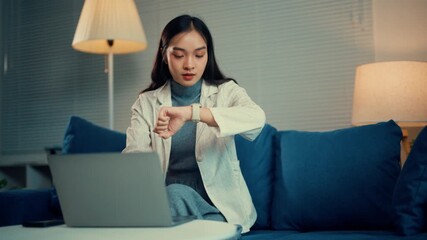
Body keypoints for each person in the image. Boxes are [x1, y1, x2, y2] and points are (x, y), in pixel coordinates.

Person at [122, 14, 265, 233]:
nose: (190, 64)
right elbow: (134, 162)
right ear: (164, 55)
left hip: (218, 210)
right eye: (179, 55)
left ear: (208, 55)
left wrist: (192, 113)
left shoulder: (226, 92)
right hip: (169, 209)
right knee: (172, 198)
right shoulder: (146, 103)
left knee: (174, 197)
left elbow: (256, 119)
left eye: (199, 55)